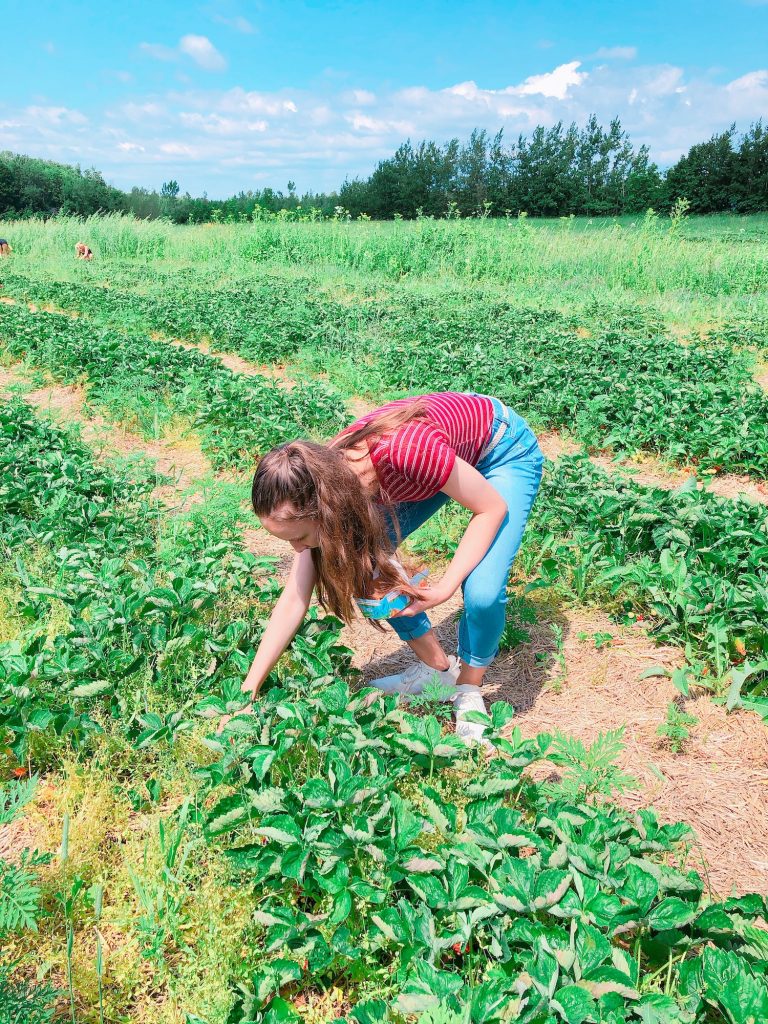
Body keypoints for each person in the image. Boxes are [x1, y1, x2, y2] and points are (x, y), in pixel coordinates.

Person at [242, 392, 544, 746]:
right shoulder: (324, 478)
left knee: (482, 592)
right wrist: (248, 692)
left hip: (501, 447)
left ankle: (469, 689)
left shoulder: (405, 452)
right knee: (352, 559)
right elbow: (295, 598)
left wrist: (446, 586)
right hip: (442, 460)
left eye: (301, 537)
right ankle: (439, 671)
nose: (297, 550)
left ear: (324, 509)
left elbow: (490, 508)